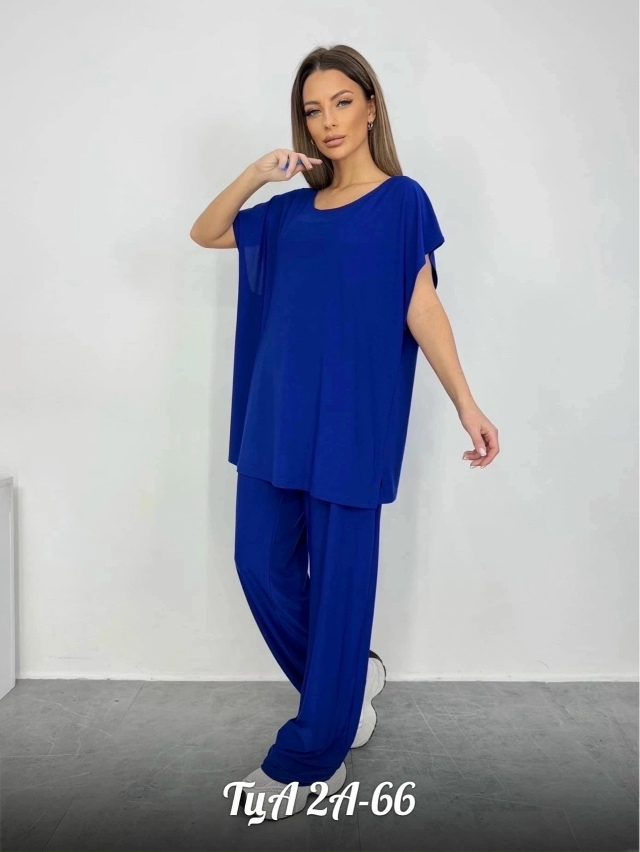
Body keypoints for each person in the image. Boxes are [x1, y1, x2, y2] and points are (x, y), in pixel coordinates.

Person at [190, 43, 500, 821]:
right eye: (312, 108)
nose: (327, 121)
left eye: (341, 102)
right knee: (258, 564)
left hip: (353, 423)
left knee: (339, 585)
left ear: (370, 107)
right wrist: (257, 173)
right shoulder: (288, 213)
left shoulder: (402, 202)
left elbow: (421, 306)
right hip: (274, 419)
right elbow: (206, 231)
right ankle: (349, 681)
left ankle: (311, 755)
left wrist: (466, 403)